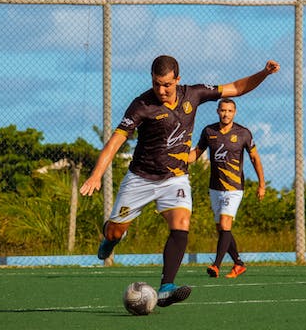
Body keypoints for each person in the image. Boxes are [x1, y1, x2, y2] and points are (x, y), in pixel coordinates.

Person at [80, 55, 280, 307]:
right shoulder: (141, 105)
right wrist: (96, 174)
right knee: (115, 230)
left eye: (166, 84)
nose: (161, 90)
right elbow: (116, 139)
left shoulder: (194, 94)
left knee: (181, 224)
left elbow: (237, 88)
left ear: (177, 79)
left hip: (175, 177)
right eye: (156, 84)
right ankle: (110, 239)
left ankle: (166, 287)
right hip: (141, 178)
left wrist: (264, 72)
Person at [188, 98, 265, 279]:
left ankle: (216, 265)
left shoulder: (243, 133)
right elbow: (196, 154)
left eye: (230, 111)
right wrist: (179, 158)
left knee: (224, 224)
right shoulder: (209, 131)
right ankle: (238, 263)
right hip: (215, 187)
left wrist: (262, 184)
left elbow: (255, 158)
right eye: (223, 110)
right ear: (217, 111)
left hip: (234, 187)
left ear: (234, 112)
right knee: (222, 229)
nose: (226, 114)